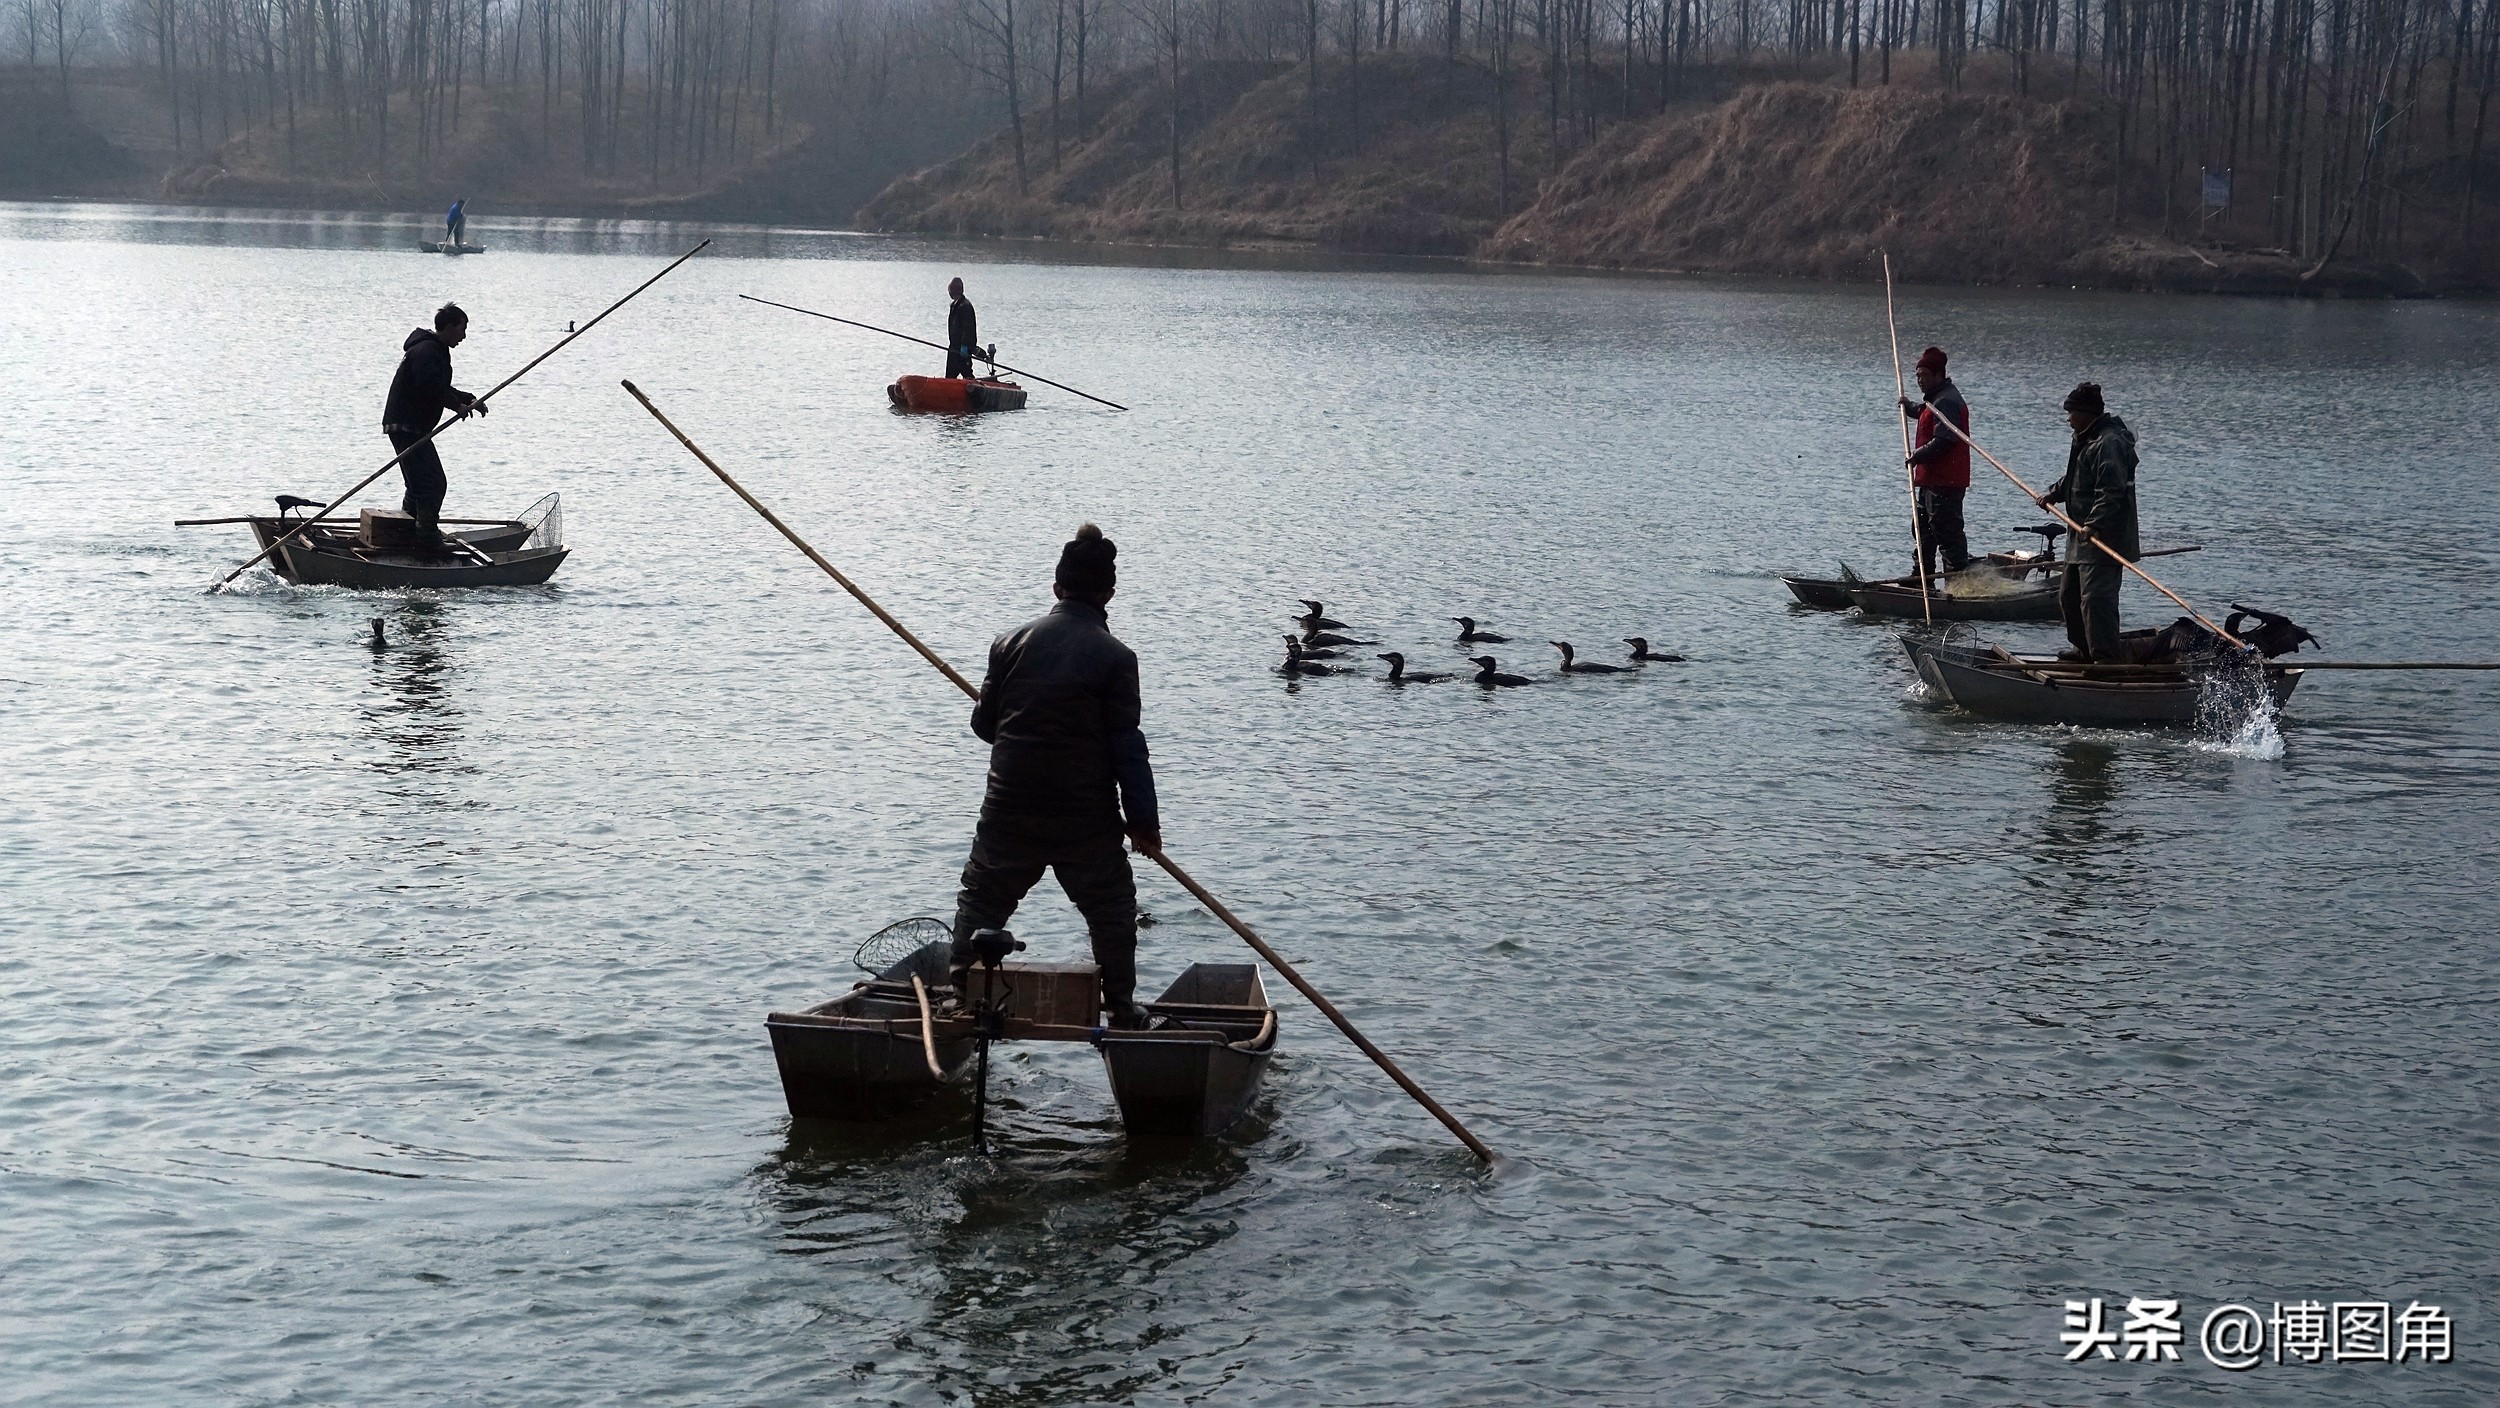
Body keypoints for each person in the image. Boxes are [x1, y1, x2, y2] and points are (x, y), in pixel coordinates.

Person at [952, 524, 1162, 1027]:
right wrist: (1144, 825)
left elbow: (986, 727)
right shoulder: (1117, 658)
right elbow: (1127, 749)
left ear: (1055, 588)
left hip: (1009, 812)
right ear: (1109, 594)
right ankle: (1122, 1007)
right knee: (1111, 910)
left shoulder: (1008, 643)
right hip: (1083, 821)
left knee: (981, 902)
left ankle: (959, 994)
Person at [2041, 381, 2140, 662]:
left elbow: (2111, 491)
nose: (2068, 418)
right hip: (2079, 534)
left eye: (2071, 412)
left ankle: (2105, 658)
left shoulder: (2108, 443)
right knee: (2068, 597)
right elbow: (2076, 476)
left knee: (2096, 600)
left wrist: (2094, 524)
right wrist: (2054, 493)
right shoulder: (2084, 438)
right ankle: (2083, 649)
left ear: (2086, 413)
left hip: (2103, 535)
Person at [381, 303, 485, 546]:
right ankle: (426, 537)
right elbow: (428, 386)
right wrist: (455, 406)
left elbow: (439, 386)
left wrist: (466, 399)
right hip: (407, 426)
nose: (464, 336)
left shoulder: (433, 349)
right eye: (462, 329)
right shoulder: (428, 350)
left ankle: (408, 531)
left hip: (409, 426)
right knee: (433, 484)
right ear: (448, 327)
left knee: (418, 483)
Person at [1897, 345, 1971, 580]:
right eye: (1918, 376)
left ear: (1939, 374)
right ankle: (1921, 581)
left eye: (1925, 376)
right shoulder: (1936, 398)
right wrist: (1909, 407)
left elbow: (1944, 441)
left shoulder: (1947, 401)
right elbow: (1925, 411)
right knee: (1922, 533)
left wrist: (1917, 456)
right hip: (1930, 482)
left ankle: (1957, 588)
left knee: (1947, 536)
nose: (1920, 381)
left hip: (1945, 483)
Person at [945, 277, 978, 380]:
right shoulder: (954, 306)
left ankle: (975, 392)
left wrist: (965, 345)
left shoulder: (965, 306)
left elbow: (968, 329)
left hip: (963, 348)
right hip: (953, 347)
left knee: (967, 373)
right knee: (950, 376)